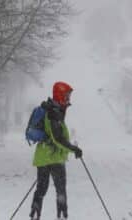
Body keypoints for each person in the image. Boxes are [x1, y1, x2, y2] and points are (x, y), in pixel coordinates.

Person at [30, 81, 83, 220]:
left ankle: (35, 213)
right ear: (59, 95)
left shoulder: (51, 109)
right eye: (66, 95)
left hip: (43, 156)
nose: (68, 99)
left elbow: (53, 136)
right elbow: (57, 138)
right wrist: (74, 149)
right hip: (54, 157)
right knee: (60, 189)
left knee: (41, 188)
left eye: (69, 96)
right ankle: (62, 216)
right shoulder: (54, 112)